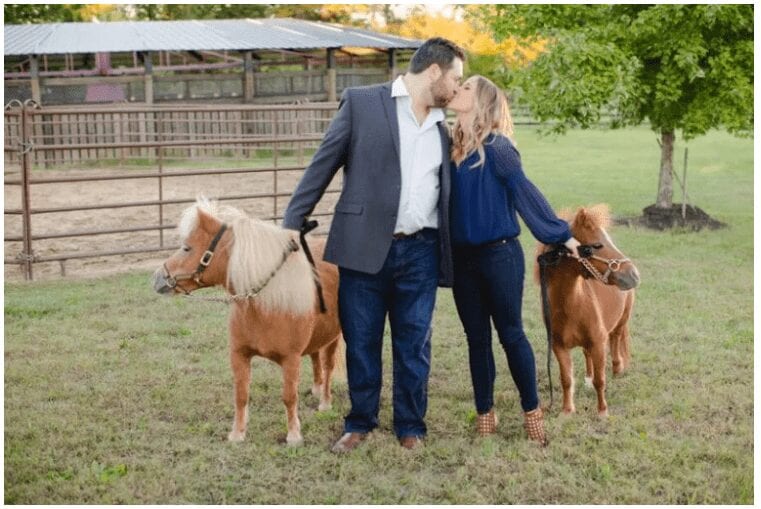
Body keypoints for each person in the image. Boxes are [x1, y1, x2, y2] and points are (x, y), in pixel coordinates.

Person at [282, 38, 465, 452]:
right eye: (455, 78)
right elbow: (323, 162)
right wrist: (293, 221)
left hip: (421, 249)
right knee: (362, 340)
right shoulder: (363, 103)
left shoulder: (444, 125)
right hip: (363, 245)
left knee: (414, 342)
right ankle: (359, 421)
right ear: (433, 71)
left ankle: (410, 426)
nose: (457, 88)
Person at [445, 75, 581, 445]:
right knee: (476, 339)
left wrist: (561, 234)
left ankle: (532, 412)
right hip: (462, 260)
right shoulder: (449, 146)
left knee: (510, 334)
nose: (458, 90)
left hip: (499, 256)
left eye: (467, 88)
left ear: (483, 101)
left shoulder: (498, 148)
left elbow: (526, 194)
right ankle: (485, 412)